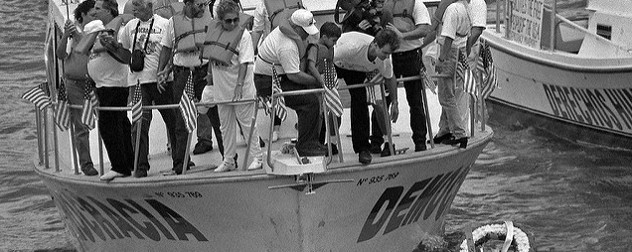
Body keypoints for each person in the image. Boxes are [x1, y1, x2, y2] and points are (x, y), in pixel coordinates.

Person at [119, 0, 185, 178]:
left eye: (138, 5)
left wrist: (165, 71)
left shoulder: (165, 24)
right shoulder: (130, 27)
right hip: (139, 83)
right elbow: (124, 50)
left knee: (173, 121)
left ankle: (180, 160)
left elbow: (173, 49)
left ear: (149, 5)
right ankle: (140, 165)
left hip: (162, 81)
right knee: (139, 124)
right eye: (134, 5)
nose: (135, 8)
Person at [253, 9, 326, 156]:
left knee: (309, 96)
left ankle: (311, 140)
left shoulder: (288, 27)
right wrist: (318, 82)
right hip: (268, 82)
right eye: (306, 31)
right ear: (297, 28)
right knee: (310, 102)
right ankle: (306, 146)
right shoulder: (287, 46)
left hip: (277, 76)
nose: (308, 34)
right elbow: (294, 76)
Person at [201, 0, 263, 172]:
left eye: (236, 19)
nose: (233, 23)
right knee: (225, 127)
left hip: (241, 89)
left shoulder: (243, 36)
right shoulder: (215, 33)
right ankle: (228, 160)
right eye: (228, 21)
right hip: (221, 89)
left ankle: (257, 157)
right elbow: (213, 55)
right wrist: (209, 76)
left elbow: (245, 62)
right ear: (220, 21)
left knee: (247, 125)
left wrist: (239, 85)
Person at [156, 0, 223, 158]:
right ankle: (180, 163)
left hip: (204, 73)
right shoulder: (172, 23)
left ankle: (228, 159)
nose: (203, 8)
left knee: (216, 118)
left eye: (204, 5)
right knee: (180, 122)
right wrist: (161, 71)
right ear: (188, 3)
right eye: (199, 5)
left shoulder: (211, 21)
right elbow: (166, 48)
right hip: (182, 75)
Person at [81, 0, 134, 181]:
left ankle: (120, 166)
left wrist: (109, 44)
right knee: (120, 125)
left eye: (98, 9)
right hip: (104, 86)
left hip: (113, 85)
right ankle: (129, 162)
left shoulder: (113, 32)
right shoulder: (101, 32)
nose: (94, 12)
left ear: (110, 11)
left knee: (109, 127)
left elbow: (124, 54)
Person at [333, 29, 400, 164]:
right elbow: (327, 57)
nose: (387, 57)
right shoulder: (352, 47)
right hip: (336, 63)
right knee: (331, 103)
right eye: (385, 53)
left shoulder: (384, 59)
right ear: (375, 44)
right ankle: (329, 143)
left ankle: (363, 148)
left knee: (360, 102)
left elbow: (390, 77)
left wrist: (395, 102)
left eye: (389, 54)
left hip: (358, 69)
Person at [381, 0, 432, 153]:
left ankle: (420, 141)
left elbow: (425, 30)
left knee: (415, 101)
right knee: (383, 100)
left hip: (411, 56)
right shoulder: (384, 6)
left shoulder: (417, 5)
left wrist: (402, 35)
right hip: (389, 56)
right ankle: (378, 142)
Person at [55, 0, 98, 176]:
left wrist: (78, 36)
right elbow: (60, 54)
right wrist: (66, 35)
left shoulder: (97, 31)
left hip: (96, 83)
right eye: (92, 13)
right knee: (81, 126)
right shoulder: (73, 33)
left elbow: (90, 48)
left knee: (111, 119)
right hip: (74, 84)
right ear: (83, 15)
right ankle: (86, 164)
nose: (95, 16)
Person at [433, 0, 471, 147]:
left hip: (450, 52)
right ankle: (445, 129)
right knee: (449, 94)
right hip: (460, 51)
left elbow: (448, 37)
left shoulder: (452, 10)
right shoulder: (465, 8)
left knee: (445, 96)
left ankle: (459, 132)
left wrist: (441, 58)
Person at [304, 22, 342, 153]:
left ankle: (332, 142)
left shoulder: (330, 49)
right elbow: (311, 66)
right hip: (317, 85)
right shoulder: (315, 47)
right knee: (318, 115)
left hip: (329, 84)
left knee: (334, 112)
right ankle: (316, 142)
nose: (334, 44)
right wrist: (321, 82)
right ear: (324, 37)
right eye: (333, 40)